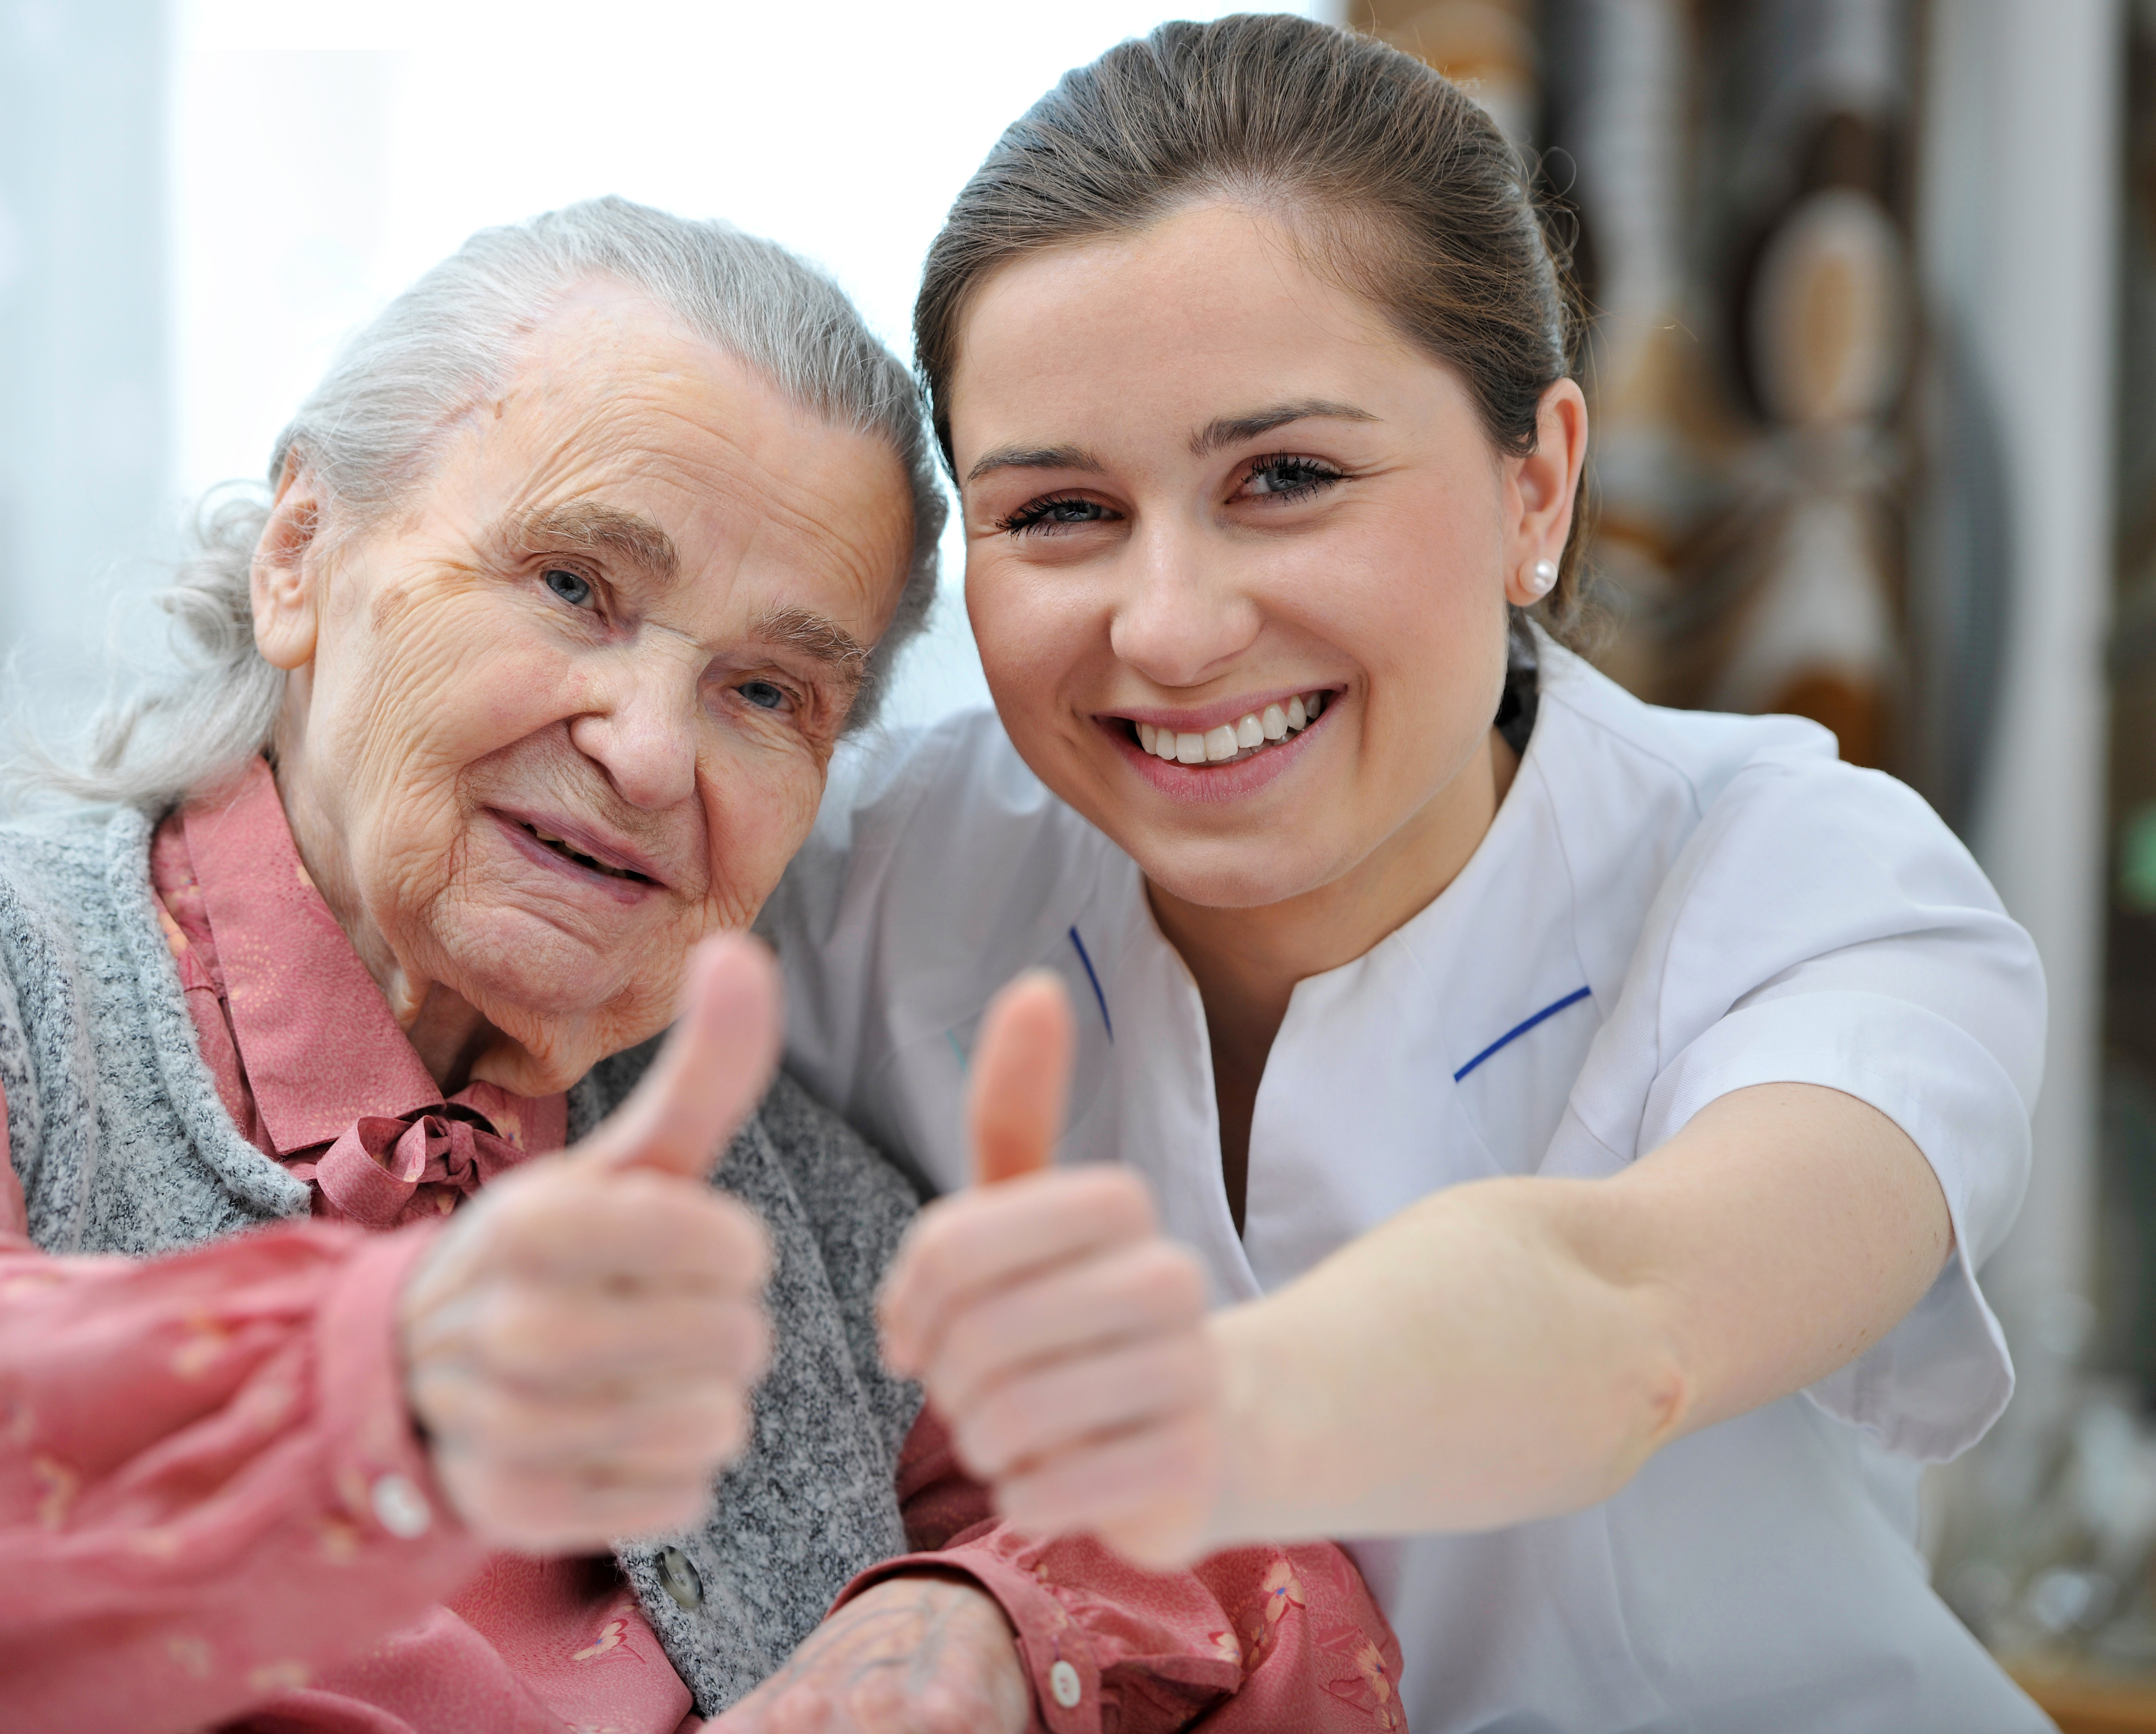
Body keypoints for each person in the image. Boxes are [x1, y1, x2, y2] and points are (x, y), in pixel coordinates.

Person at [0, 200, 1400, 1734]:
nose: (653, 753)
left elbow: (1260, 1575)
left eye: (766, 693)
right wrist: (399, 1380)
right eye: (576, 586)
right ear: (301, 555)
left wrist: (975, 1630)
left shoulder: (790, 1212)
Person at [760, 18, 2052, 1733]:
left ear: (1540, 485)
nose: (1169, 626)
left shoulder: (1809, 885)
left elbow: (1628, 1314)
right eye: (1059, 512)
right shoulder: (882, 873)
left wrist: (1174, 1437)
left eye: (1284, 478)